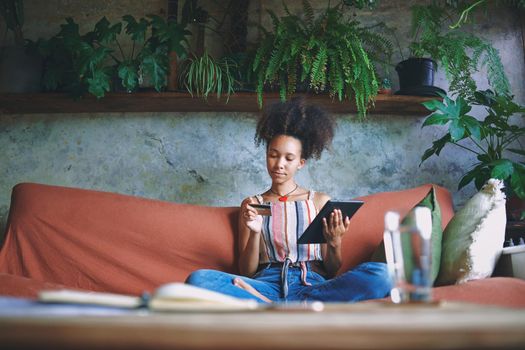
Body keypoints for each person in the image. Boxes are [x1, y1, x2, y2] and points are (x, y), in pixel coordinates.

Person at [186, 98, 391, 303]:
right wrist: (255, 231)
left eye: (289, 158)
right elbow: (247, 272)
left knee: (382, 274)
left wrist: (335, 242)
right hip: (265, 286)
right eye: (273, 155)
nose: (279, 164)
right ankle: (289, 307)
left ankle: (273, 308)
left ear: (301, 163)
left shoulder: (319, 201)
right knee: (199, 279)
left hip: (312, 286)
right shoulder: (252, 203)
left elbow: (332, 269)